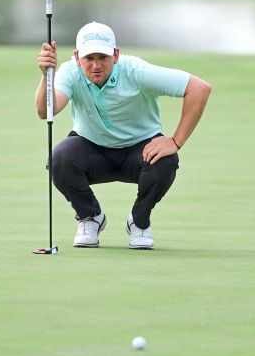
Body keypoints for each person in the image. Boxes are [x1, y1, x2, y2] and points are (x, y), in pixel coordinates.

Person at [35, 22, 211, 250]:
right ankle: (90, 216)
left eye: (103, 57)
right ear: (77, 57)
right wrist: (46, 76)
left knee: (166, 160)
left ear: (116, 55)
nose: (96, 65)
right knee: (59, 159)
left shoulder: (135, 71)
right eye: (89, 58)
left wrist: (175, 141)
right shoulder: (70, 72)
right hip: (91, 148)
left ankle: (139, 221)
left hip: (140, 150)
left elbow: (199, 88)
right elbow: (45, 111)